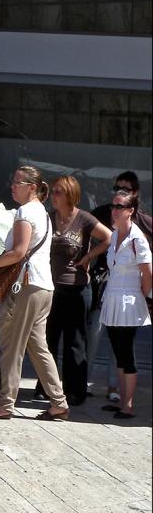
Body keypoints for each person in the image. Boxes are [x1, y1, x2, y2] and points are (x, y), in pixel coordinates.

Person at [0, 165, 69, 421]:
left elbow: (18, 252)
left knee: (11, 346)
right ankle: (58, 403)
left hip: (26, 286)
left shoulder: (25, 212)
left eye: (17, 182)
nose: (12, 186)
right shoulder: (43, 213)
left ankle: (5, 404)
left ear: (32, 188)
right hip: (43, 286)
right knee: (38, 346)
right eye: (13, 181)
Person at [35, 176, 111, 405]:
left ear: (69, 195)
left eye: (58, 192)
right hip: (52, 287)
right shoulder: (49, 218)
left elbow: (109, 237)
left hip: (78, 289)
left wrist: (88, 257)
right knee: (47, 340)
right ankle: (46, 387)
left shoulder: (84, 219)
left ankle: (74, 390)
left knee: (75, 342)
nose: (53, 195)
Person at [89, 171, 153, 403]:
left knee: (125, 352)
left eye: (119, 206)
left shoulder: (138, 237)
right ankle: (119, 397)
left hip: (130, 299)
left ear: (131, 209)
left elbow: (148, 274)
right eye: (114, 205)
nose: (113, 210)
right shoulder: (115, 235)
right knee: (117, 349)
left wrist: (142, 297)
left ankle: (126, 403)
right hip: (113, 297)